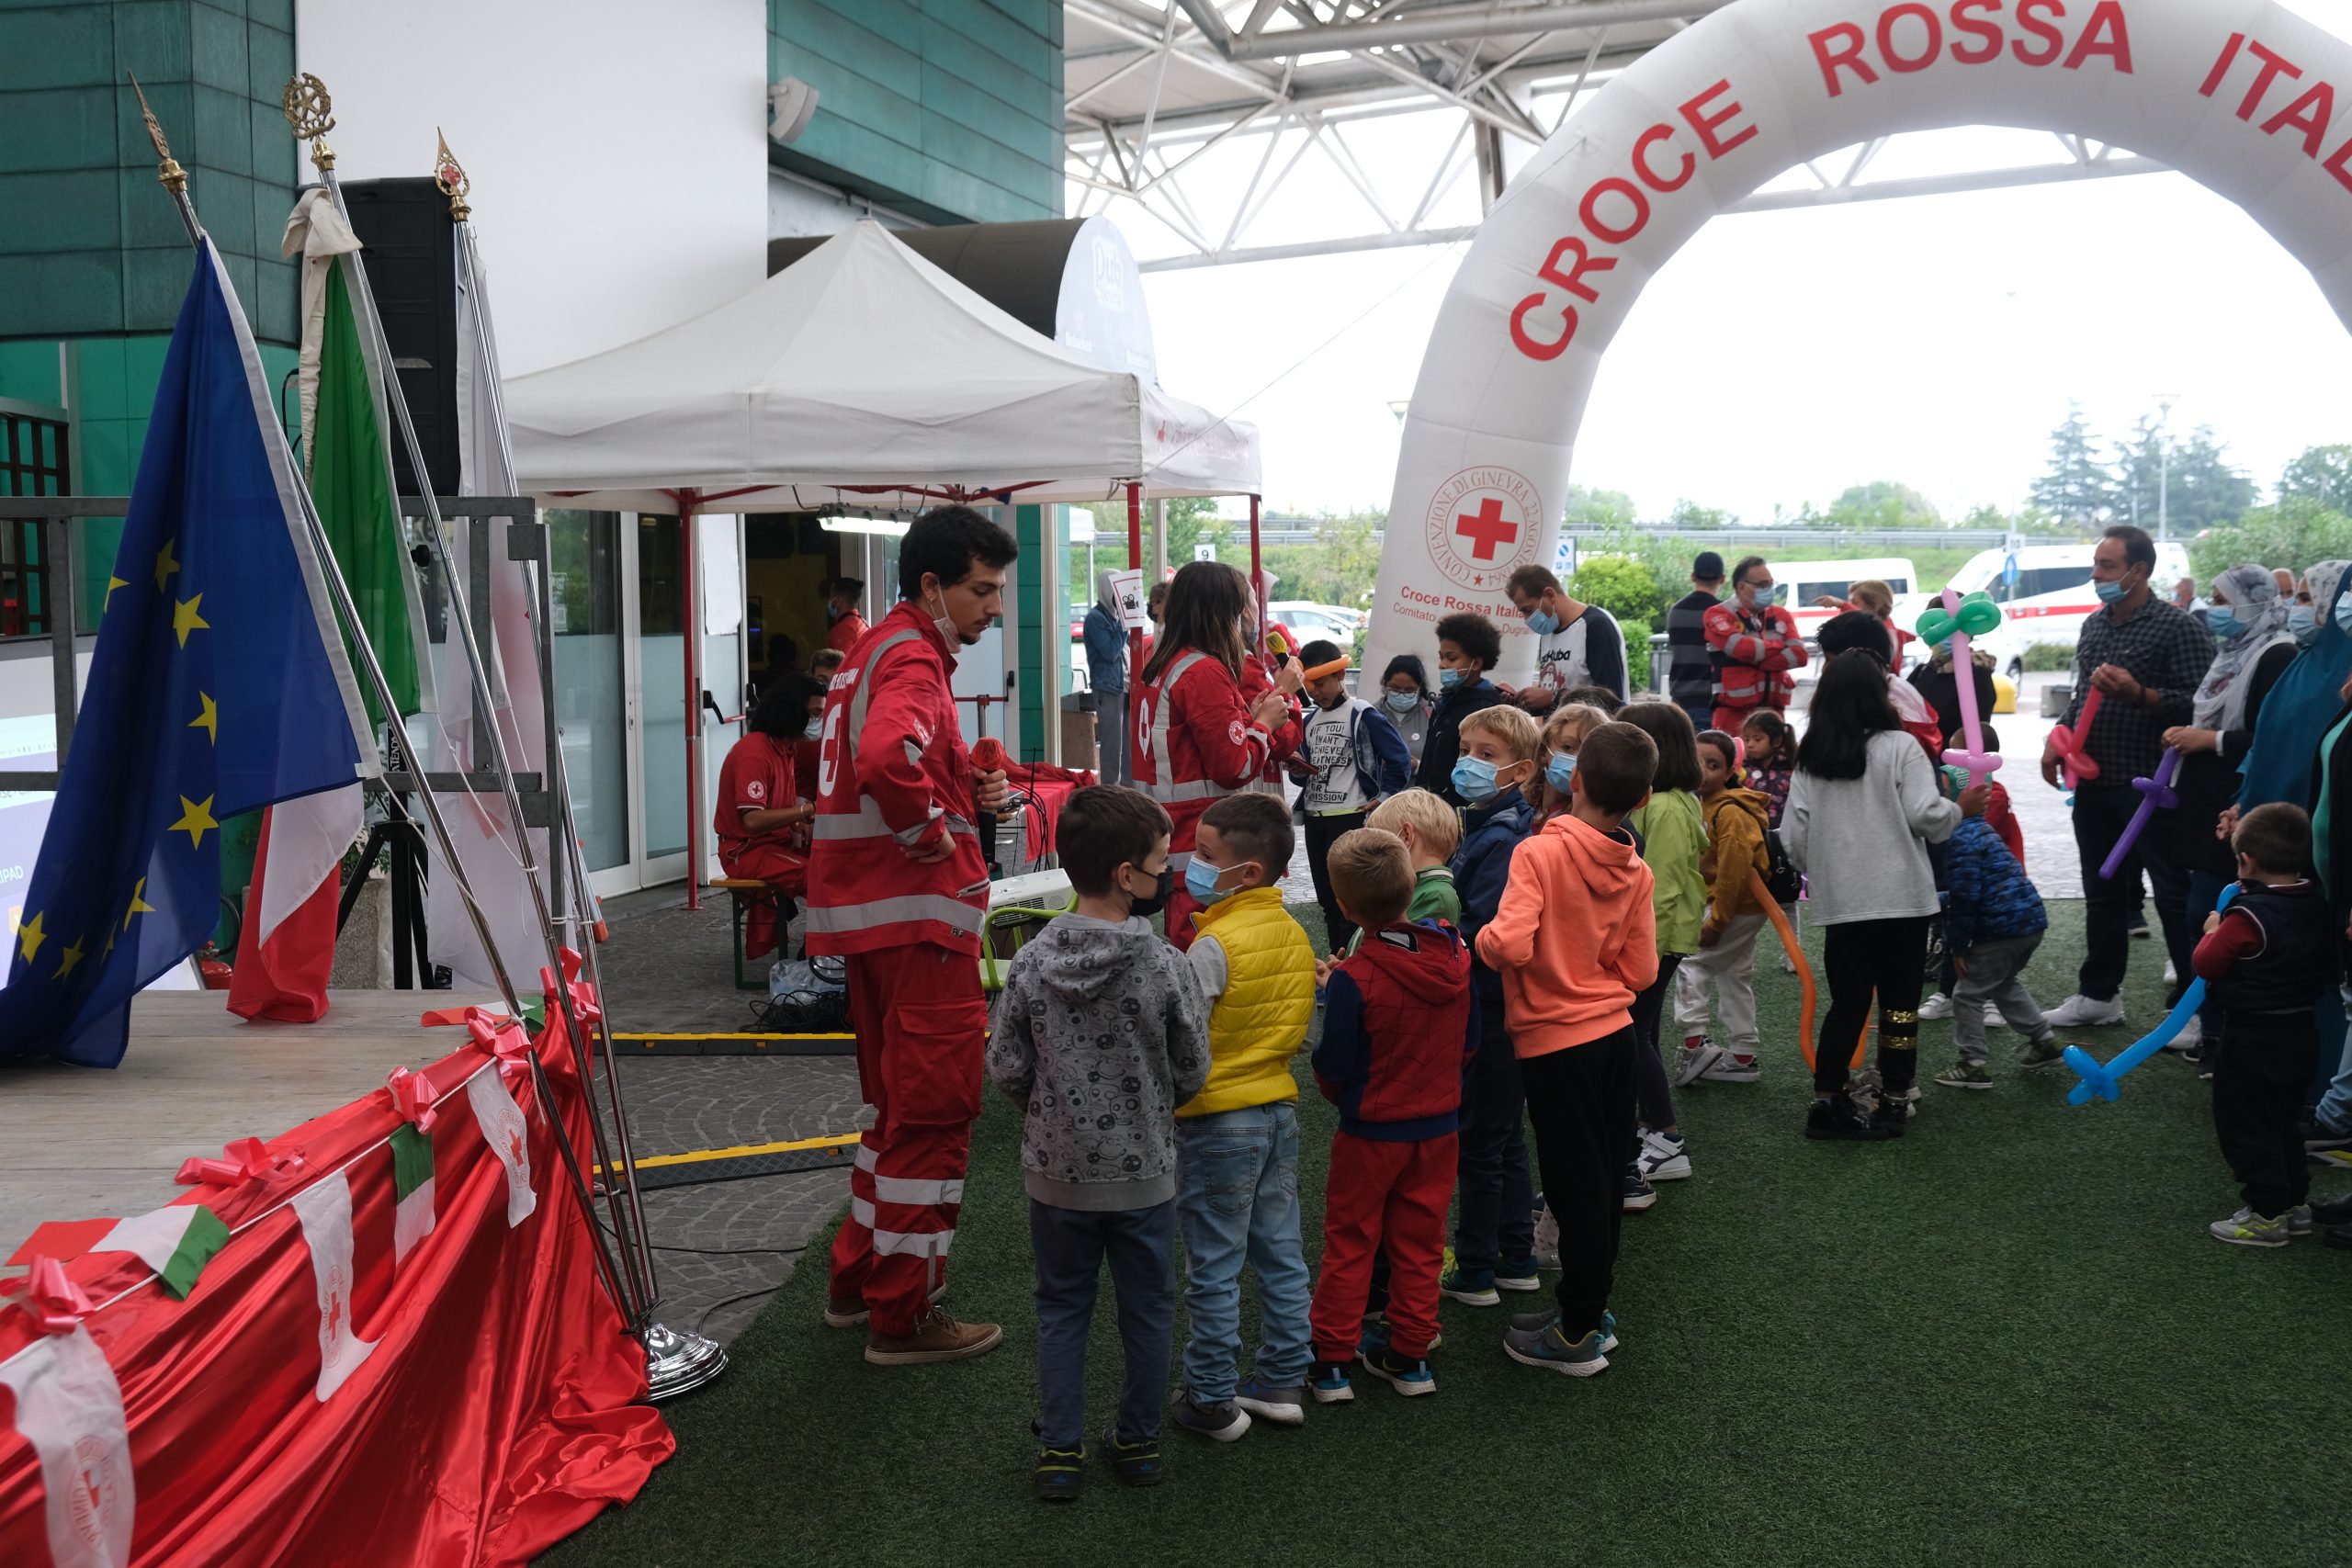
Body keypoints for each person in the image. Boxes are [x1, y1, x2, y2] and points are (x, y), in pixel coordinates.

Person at [809, 504, 1016, 1365]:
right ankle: (905, 1314)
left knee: (894, 1113)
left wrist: (959, 787)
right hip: (919, 919)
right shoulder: (914, 657)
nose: (993, 607)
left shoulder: (874, 647)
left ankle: (859, 1283)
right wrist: (933, 835)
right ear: (930, 585)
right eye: (980, 590)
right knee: (931, 1116)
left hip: (876, 924)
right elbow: (892, 756)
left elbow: (893, 754)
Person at [986, 785, 1210, 1498]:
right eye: (1158, 863)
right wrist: (1154, 1104)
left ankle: (1060, 1450)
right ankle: (1139, 1441)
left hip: (1057, 1174)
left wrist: (1047, 1112)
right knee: (1148, 1309)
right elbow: (1193, 1066)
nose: (1164, 875)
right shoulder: (1166, 962)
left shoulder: (1027, 961)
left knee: (1061, 1307)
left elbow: (1007, 1067)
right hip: (1145, 1173)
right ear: (1125, 874)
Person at [1481, 721, 1659, 1377]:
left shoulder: (1538, 853)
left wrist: (1483, 943)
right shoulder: (1634, 867)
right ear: (1640, 800)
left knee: (1573, 1183)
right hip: (1615, 1036)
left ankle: (1577, 1331)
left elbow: (1510, 943)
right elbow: (1641, 972)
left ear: (1574, 780)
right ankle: (1590, 1307)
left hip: (1557, 1046)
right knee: (1605, 1179)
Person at [1783, 648, 1984, 1141]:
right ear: (1879, 696)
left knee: (1847, 1005)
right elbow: (1925, 816)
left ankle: (1826, 1101)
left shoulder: (1813, 756)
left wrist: (1827, 869)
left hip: (1843, 904)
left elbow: (1792, 836)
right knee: (1899, 1006)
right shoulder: (1900, 747)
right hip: (1903, 900)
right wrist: (1960, 808)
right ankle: (1895, 1100)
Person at [1306, 829, 1476, 1404]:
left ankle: (1331, 1361)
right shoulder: (1457, 953)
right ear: (1411, 888)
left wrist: (1340, 1093)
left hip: (1371, 1132)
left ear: (1346, 907)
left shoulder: (1355, 976)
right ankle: (1411, 1355)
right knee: (1422, 1241)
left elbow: (1335, 1060)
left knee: (1351, 1240)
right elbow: (1470, 1040)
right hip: (1439, 1126)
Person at [1171, 792, 1317, 1440]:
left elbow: (1184, 1036)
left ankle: (1210, 1395)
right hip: (1278, 1112)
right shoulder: (1294, 933)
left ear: (1248, 872)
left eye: (1206, 856)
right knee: (1281, 1249)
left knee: (1215, 1261)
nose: (1192, 866)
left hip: (1216, 1122)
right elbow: (1300, 1027)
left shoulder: (1212, 944)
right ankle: (1284, 1376)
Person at [2038, 526, 2217, 1030]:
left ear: (2139, 571)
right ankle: (2099, 995)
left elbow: (2201, 705)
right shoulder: (2094, 626)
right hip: (2094, 782)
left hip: (2153, 787)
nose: (2096, 575)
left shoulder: (2177, 627)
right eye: (2096, 565)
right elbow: (2079, 698)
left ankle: (2192, 1009)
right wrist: (2058, 740)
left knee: (2172, 893)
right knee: (2101, 890)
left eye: (2107, 566)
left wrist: (2140, 694)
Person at [2163, 566, 2301, 1058]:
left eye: (2223, 600)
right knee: (2203, 911)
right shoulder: (2232, 653)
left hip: (2243, 799)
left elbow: (2273, 736)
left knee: (2221, 911)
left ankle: (2218, 1029)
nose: (2214, 610)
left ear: (2251, 603)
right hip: (2213, 800)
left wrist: (2210, 739)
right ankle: (2209, 1023)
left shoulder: (2276, 653)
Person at [1132, 561, 1304, 950]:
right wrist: (1263, 724)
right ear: (1222, 611)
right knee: (1212, 962)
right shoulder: (1204, 670)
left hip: (1177, 838)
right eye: (1241, 607)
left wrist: (1252, 715)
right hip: (1208, 844)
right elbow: (1233, 766)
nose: (1245, 618)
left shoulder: (1163, 664)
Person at [2196, 804, 2336, 1247]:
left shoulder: (2245, 918)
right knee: (2284, 1120)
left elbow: (2207, 964)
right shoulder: (2316, 903)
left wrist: (2212, 930)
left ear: (2247, 860)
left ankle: (2266, 1215)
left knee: (2246, 1124)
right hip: (2300, 1032)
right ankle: (2293, 1203)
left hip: (2253, 1037)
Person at [1440, 705, 1542, 1309]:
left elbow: (1483, 929)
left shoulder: (1504, 838)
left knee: (1480, 1139)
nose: (1469, 763)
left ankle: (1476, 1266)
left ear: (1521, 769)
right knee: (1502, 1138)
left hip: (1492, 1006)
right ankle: (1517, 1254)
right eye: (1466, 749)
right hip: (1500, 1008)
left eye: (1486, 755)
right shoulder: (1487, 824)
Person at [1618, 701, 1708, 1201]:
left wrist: (1635, 950)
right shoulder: (1664, 801)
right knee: (1643, 1030)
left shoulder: (1669, 807)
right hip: (1655, 938)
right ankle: (1650, 1122)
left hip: (1658, 938)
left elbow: (1664, 886)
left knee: (1634, 1035)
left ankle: (1667, 1136)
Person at [1929, 765, 2060, 1089]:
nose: (1940, 799)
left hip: (2000, 931)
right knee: (2003, 983)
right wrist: (1934, 899)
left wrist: (1958, 947)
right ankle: (2044, 1041)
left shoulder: (1961, 839)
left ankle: (1972, 1064)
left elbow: (1967, 897)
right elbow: (1977, 886)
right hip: (2029, 923)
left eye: (1945, 793)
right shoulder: (1983, 831)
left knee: (1967, 994)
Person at [1289, 640, 1412, 953]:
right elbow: (1298, 774)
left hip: (1351, 819)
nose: (1315, 691)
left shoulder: (1362, 714)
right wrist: (1297, 769)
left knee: (1353, 904)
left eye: (1321, 682)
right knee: (1329, 903)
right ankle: (1336, 963)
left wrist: (1385, 796)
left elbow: (1399, 758)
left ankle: (1356, 966)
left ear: (1340, 674)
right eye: (1309, 685)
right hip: (1316, 819)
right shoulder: (1309, 721)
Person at [1675, 729, 1772, 1089]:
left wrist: (1717, 920)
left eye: (1713, 765)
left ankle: (1694, 1044)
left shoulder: (1730, 811)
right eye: (1696, 761)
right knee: (1734, 972)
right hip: (1737, 906)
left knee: (1692, 962)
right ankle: (1742, 1055)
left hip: (1734, 906)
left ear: (1730, 770)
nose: (1702, 771)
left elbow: (1734, 870)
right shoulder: (1705, 804)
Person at [714, 679, 819, 962]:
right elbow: (753, 821)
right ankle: (822, 952)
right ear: (793, 713)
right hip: (746, 851)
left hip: (774, 843)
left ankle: (828, 947)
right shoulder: (755, 753)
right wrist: (805, 812)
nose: (819, 720)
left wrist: (800, 821)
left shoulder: (784, 749)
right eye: (816, 713)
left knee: (840, 862)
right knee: (820, 877)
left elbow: (779, 808)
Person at [1703, 555, 1808, 734]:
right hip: (1733, 716)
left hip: (1773, 715)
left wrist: (1756, 659)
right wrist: (1779, 647)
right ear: (1742, 587)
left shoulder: (1780, 614)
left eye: (1770, 584)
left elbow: (1800, 656)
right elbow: (1740, 648)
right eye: (1762, 585)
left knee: (1779, 762)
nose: (1769, 589)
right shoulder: (1717, 614)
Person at [1504, 563, 1630, 712]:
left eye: (1528, 610)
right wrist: (1522, 700)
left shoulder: (1596, 626)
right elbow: (1552, 700)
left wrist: (1553, 698)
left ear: (1550, 595)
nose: (1526, 619)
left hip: (1593, 733)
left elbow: (1612, 700)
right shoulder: (1547, 633)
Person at [1819, 610, 1941, 759]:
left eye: (1830, 661)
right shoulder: (1899, 689)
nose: (1824, 670)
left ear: (1859, 660)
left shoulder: (1875, 705)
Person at [1417, 611, 1509, 807]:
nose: (1442, 665)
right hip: (1428, 807)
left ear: (1476, 663)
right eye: (1441, 657)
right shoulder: (1445, 702)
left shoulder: (1486, 709)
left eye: (1451, 658)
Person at [1363, 788, 1463, 929]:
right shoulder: (1414, 887)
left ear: (1406, 836)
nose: (1372, 855)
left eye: (1378, 844)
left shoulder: (1437, 896)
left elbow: (1394, 945)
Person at [1082, 570, 1132, 785]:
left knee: (1128, 746)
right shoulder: (1096, 619)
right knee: (1113, 745)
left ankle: (1130, 791)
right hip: (1109, 688)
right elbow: (1110, 652)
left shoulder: (1114, 617)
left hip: (1126, 687)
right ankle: (1112, 791)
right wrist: (1124, 625)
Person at [1668, 551, 1724, 731]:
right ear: (1722, 579)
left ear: (1693, 577)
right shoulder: (1722, 613)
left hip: (1680, 700)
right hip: (1711, 699)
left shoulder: (1676, 611)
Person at [1909, 637, 1998, 750]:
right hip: (1918, 754)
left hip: (1951, 759)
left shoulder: (1977, 674)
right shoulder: (1923, 671)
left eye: (1946, 632)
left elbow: (1976, 731)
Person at [1532, 702, 1611, 826]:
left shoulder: (1592, 823)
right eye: (1568, 747)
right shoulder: (1523, 800)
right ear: (1543, 751)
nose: (1578, 760)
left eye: (1589, 752)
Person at [1377, 654, 1436, 769]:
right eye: (1395, 688)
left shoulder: (1432, 715)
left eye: (1409, 690)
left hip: (1418, 786)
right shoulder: (1371, 713)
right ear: (1385, 684)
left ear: (1420, 688)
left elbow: (1442, 763)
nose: (1401, 693)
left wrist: (1417, 766)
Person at [1738, 710, 1793, 827]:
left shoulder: (1790, 770)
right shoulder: (1743, 770)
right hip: (1751, 832)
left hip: (1782, 832)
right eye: (1747, 739)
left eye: (1757, 739)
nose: (1750, 744)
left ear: (1776, 741)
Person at [825, 576, 870, 655]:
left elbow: (842, 665)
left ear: (838, 599)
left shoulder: (843, 629)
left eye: (831, 596)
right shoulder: (860, 622)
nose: (829, 600)